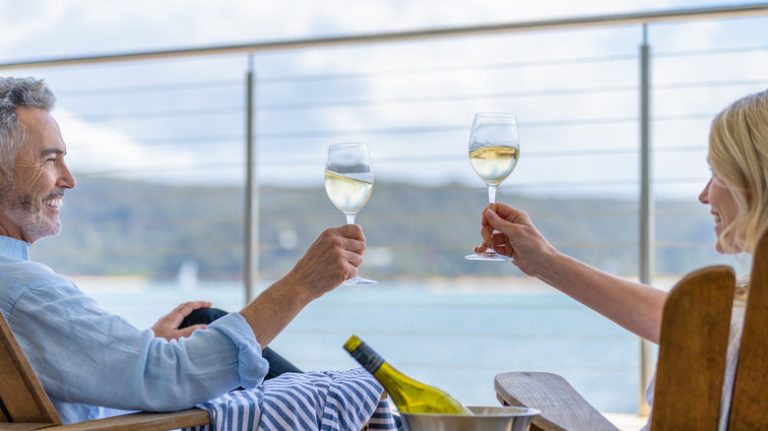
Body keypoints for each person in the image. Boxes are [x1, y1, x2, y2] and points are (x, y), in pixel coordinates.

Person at [0, 77, 368, 424]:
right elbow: (168, 379)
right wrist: (301, 285)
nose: (69, 179)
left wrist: (144, 346)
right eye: (50, 159)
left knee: (203, 321)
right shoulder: (22, 291)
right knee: (344, 395)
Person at [475, 89, 768, 430]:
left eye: (716, 174)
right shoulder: (733, 320)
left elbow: (691, 322)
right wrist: (545, 261)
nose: (703, 195)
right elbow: (674, 316)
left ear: (756, 182)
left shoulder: (721, 331)